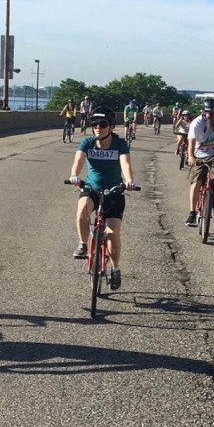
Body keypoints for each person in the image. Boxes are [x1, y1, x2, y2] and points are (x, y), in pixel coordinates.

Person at [67, 106, 137, 291]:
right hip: (92, 189)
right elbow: (78, 160)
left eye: (103, 124)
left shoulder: (119, 144)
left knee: (113, 233)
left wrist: (129, 180)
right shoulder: (87, 143)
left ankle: (115, 269)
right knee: (82, 211)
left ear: (111, 126)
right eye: (94, 124)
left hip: (114, 191)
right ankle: (83, 244)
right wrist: (74, 175)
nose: (98, 127)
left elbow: (125, 163)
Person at [186, 98, 214, 226]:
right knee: (196, 181)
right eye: (209, 113)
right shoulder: (197, 123)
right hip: (200, 155)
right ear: (203, 112)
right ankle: (192, 213)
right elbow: (191, 143)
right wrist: (191, 157)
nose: (212, 116)